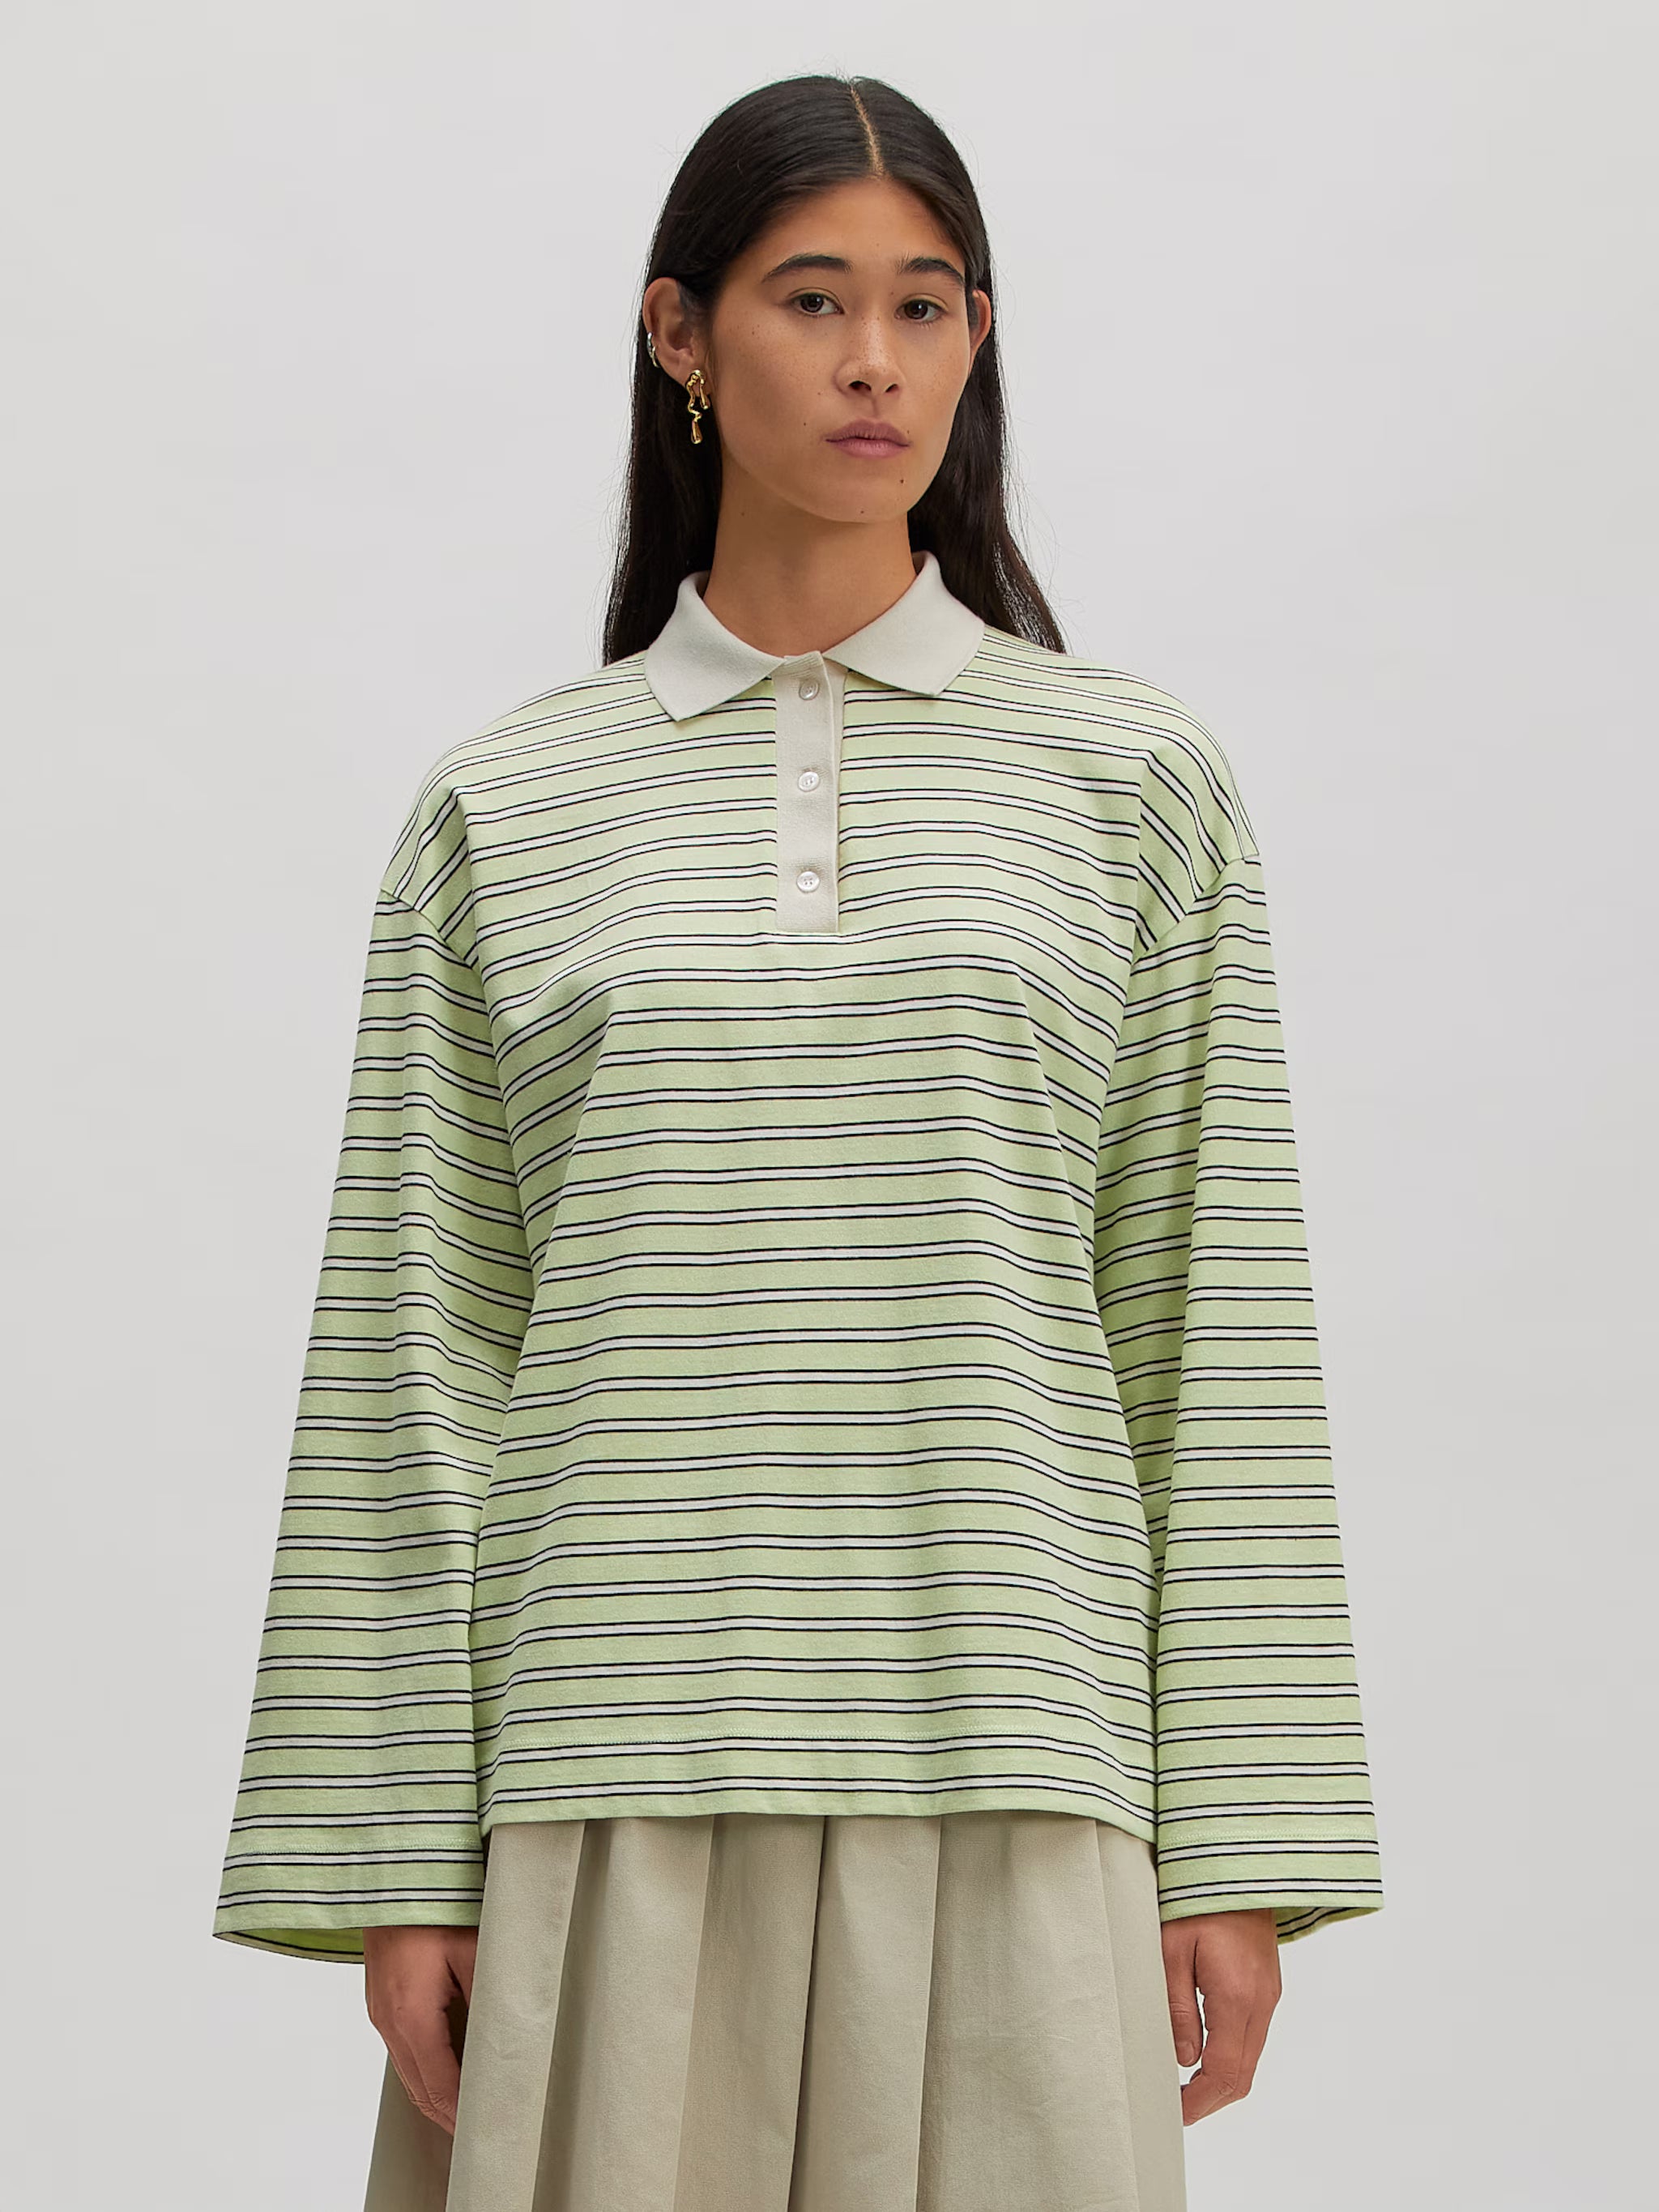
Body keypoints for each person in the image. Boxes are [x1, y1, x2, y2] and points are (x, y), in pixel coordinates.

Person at [213, 71, 1383, 2212]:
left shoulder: (1132, 781)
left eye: (926, 307)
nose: (875, 362)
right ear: (680, 333)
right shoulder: (506, 804)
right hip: (605, 1781)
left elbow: (1209, 1327)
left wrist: (1236, 1839)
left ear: (978, 339)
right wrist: (401, 1859)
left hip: (1022, 1760)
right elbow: (415, 1353)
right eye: (813, 298)